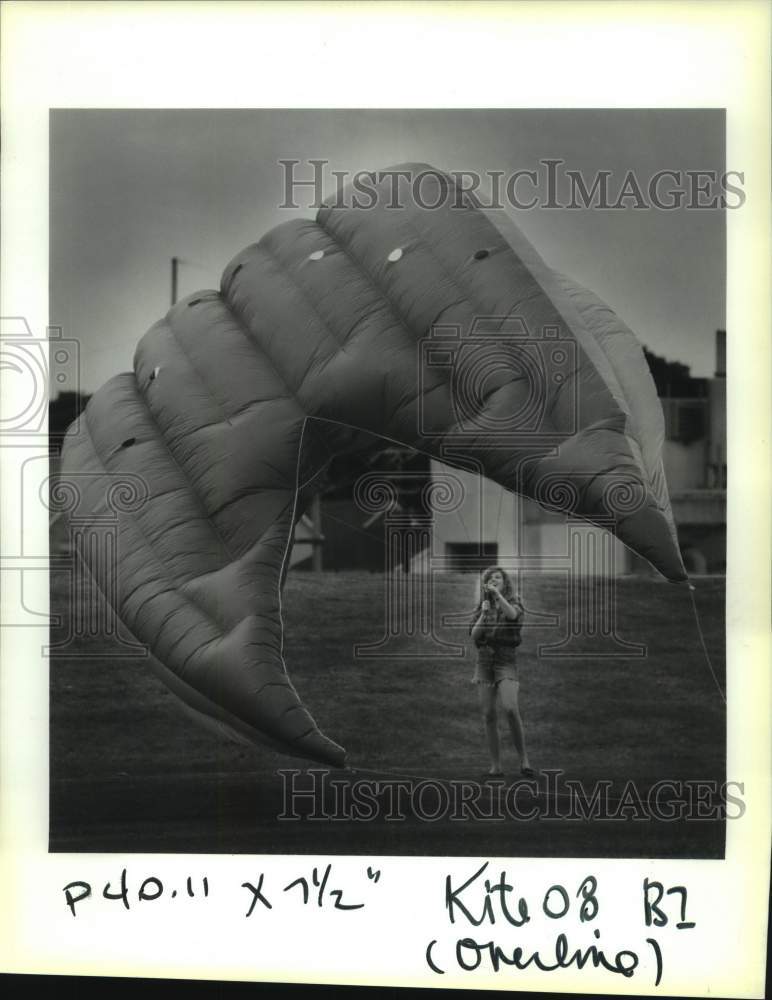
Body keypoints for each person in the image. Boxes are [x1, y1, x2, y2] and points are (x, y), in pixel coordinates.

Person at [469, 566, 535, 779]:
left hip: (505, 661)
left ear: (504, 583)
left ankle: (524, 760)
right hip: (484, 662)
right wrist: (485, 613)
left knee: (510, 708)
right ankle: (496, 766)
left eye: (497, 577)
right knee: (488, 714)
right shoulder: (482, 607)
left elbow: (513, 616)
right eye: (489, 577)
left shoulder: (514, 602)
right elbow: (474, 636)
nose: (493, 579)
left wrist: (498, 597)